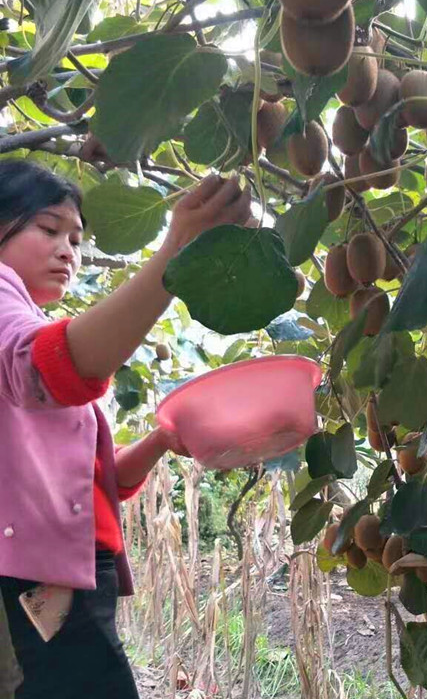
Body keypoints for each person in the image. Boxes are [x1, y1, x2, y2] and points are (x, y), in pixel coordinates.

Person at [0, 159, 252, 698]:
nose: (68, 250)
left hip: (68, 572)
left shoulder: (29, 319)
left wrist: (162, 438)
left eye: (76, 238)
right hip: (41, 576)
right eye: (48, 229)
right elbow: (45, 367)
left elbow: (98, 481)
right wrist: (173, 250)